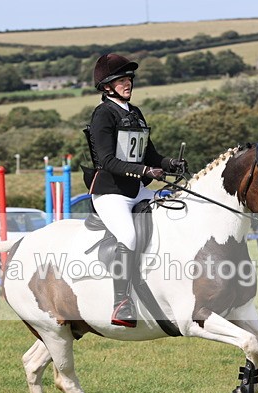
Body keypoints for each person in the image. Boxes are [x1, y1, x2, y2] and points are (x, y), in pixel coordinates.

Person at [85, 53, 186, 328]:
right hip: (111, 194)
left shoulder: (135, 113)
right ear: (107, 86)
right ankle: (121, 303)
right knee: (128, 236)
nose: (128, 83)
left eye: (129, 78)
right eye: (121, 79)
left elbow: (149, 155)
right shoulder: (103, 114)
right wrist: (144, 171)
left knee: (176, 210)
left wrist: (169, 164)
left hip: (137, 189)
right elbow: (107, 161)